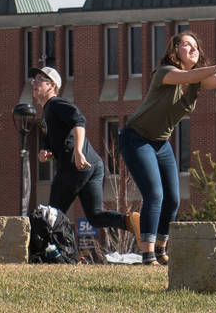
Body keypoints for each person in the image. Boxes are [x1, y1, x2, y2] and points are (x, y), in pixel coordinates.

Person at [116, 31, 216, 265]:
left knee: (173, 198)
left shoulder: (196, 79)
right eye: (186, 45)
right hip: (136, 138)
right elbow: (190, 77)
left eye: (195, 47)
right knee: (155, 194)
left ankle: (161, 248)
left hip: (161, 143)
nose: (192, 49)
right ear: (175, 50)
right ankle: (147, 254)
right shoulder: (166, 73)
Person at [32, 66, 140, 248]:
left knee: (53, 213)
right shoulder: (47, 113)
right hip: (93, 164)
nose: (33, 83)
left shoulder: (56, 104)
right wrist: (46, 153)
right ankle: (131, 222)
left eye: (39, 80)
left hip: (76, 165)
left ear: (51, 85)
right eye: (33, 79)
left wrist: (78, 151)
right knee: (95, 216)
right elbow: (55, 141)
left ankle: (52, 254)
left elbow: (79, 120)